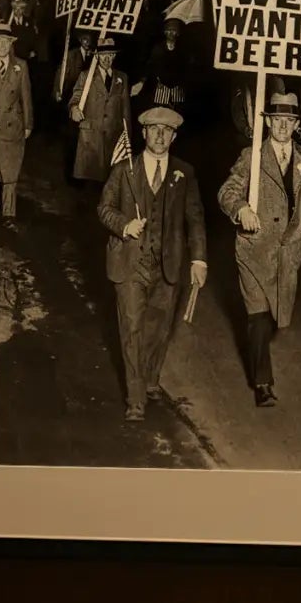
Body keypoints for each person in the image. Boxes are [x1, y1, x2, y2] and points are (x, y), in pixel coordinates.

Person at [96, 105, 208, 421]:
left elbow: (195, 219)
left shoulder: (184, 174)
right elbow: (103, 208)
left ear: (173, 137)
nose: (159, 136)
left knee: (158, 329)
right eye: (154, 129)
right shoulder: (124, 171)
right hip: (129, 263)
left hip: (168, 266)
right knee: (131, 328)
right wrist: (123, 225)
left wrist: (199, 259)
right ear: (143, 133)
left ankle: (149, 377)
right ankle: (135, 399)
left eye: (166, 131)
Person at [218, 90, 301, 407]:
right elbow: (227, 190)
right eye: (277, 120)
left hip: (288, 252)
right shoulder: (251, 157)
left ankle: (261, 369)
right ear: (267, 123)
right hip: (253, 249)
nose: (282, 126)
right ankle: (263, 383)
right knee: (259, 317)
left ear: (296, 125)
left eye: (289, 120)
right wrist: (240, 209)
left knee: (276, 316)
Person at [66, 37, 129, 186]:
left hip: (113, 137)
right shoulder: (86, 76)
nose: (107, 58)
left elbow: (126, 109)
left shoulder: (122, 78)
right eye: (103, 55)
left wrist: (127, 136)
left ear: (114, 56)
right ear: (96, 56)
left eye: (111, 54)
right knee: (91, 183)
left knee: (112, 182)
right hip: (91, 137)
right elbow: (75, 98)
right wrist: (74, 108)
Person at [0, 24, 32, 227]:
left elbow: (26, 97)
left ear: (11, 44)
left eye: (6, 42)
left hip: (12, 126)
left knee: (10, 170)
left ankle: (9, 213)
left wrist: (28, 124)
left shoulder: (20, 66)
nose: (1, 45)